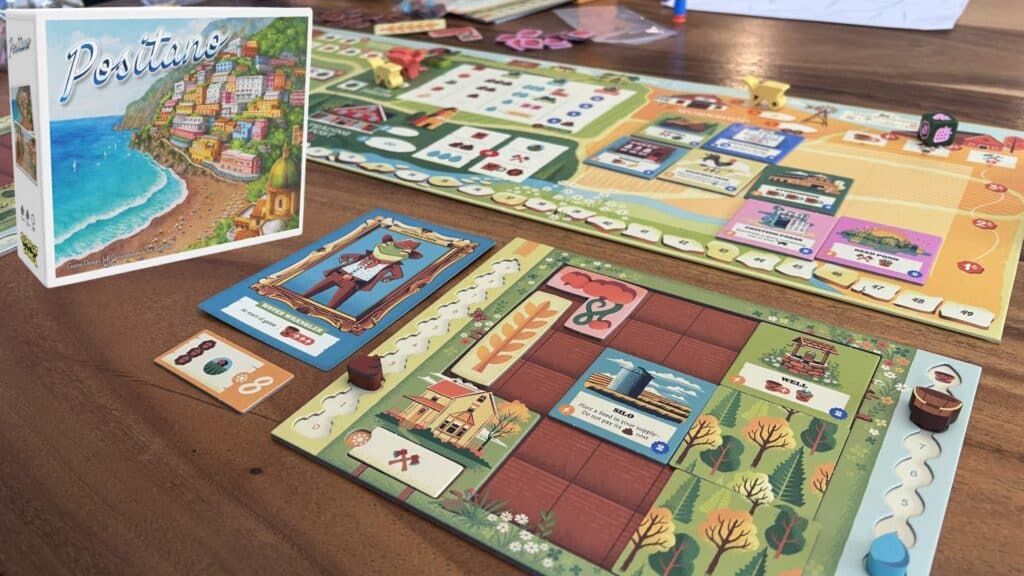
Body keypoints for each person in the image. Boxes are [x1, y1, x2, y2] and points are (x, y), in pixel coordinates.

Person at [302, 234, 423, 310]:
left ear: (405, 254)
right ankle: (300, 300)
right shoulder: (369, 254)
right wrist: (346, 256)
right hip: (338, 273)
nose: (390, 248)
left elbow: (399, 275)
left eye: (399, 248)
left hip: (354, 283)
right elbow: (358, 256)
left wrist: (388, 278)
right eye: (392, 245)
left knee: (331, 307)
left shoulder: (393, 265)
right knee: (309, 293)